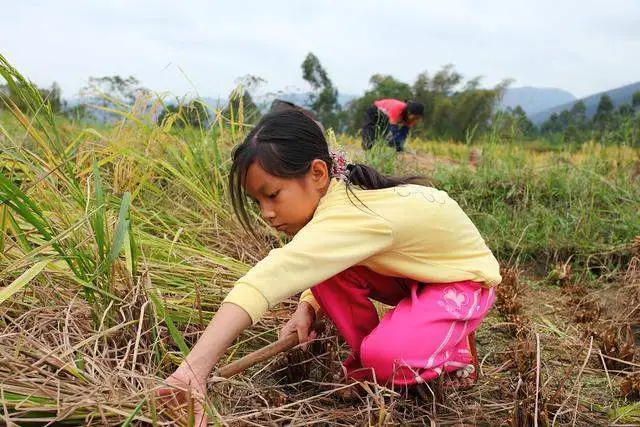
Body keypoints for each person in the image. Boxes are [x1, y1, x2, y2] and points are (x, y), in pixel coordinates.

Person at [158, 109, 500, 425]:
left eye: (273, 195)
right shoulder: (337, 201)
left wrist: (194, 369)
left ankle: (452, 352)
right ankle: (373, 367)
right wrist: (308, 304)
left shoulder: (350, 214)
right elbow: (320, 261)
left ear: (318, 173)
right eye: (258, 202)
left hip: (462, 281)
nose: (266, 213)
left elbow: (271, 275)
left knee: (389, 358)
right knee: (329, 280)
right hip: (415, 272)